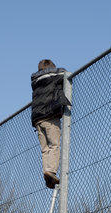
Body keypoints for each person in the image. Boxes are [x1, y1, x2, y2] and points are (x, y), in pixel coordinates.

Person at [31, 59, 71, 189]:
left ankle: (47, 174)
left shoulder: (35, 81)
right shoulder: (51, 76)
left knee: (45, 149)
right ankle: (51, 171)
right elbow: (65, 73)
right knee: (54, 145)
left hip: (37, 119)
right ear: (50, 68)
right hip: (49, 115)